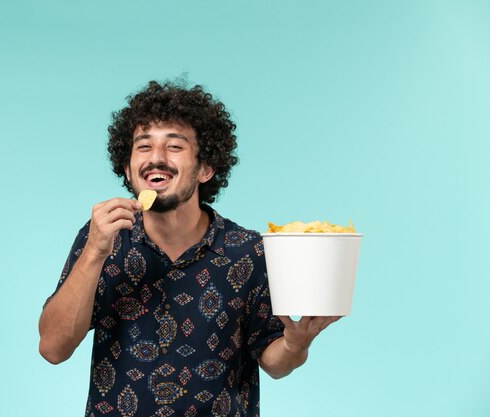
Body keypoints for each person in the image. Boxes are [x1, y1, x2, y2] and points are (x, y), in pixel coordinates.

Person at [38, 80, 340, 416]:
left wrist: (296, 345)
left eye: (175, 146)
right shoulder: (102, 238)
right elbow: (53, 348)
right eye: (143, 147)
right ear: (127, 168)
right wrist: (95, 251)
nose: (157, 158)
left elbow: (275, 362)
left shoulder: (248, 250)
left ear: (206, 168)